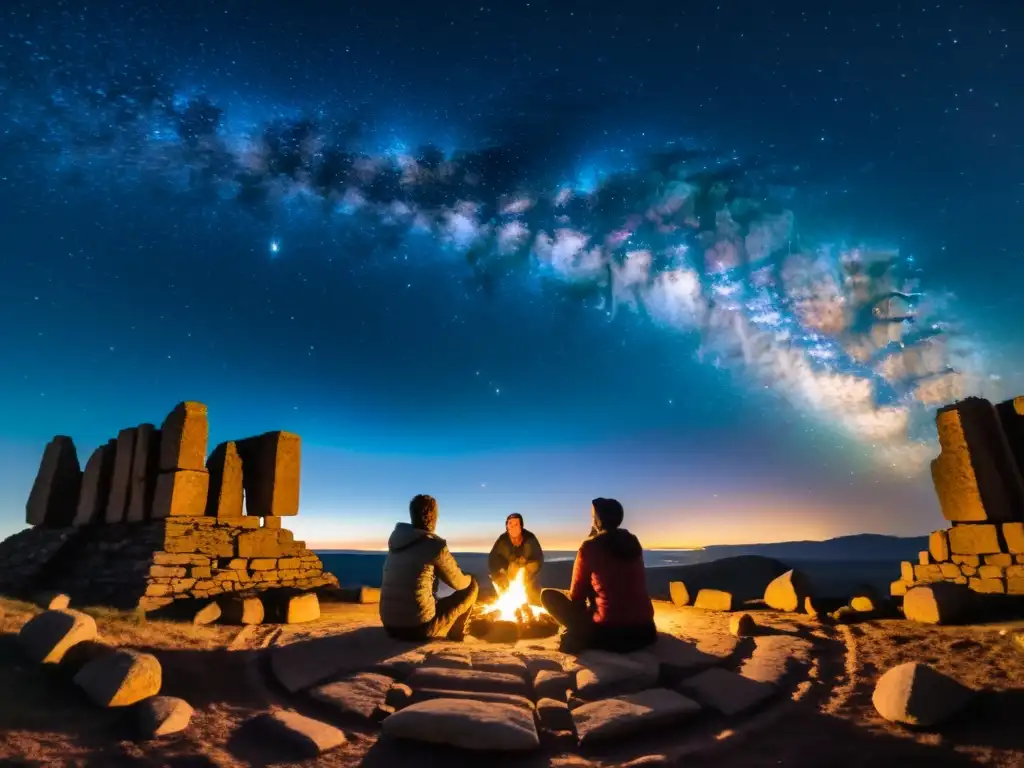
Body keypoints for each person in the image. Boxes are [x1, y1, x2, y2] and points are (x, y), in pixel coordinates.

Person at [540, 498, 656, 654]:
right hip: (645, 631)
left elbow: (577, 597)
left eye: (593, 516)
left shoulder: (590, 547)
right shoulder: (632, 543)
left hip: (608, 633)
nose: (591, 520)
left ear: (598, 520)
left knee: (547, 596)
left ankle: (584, 637)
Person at [379, 494, 479, 641]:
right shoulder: (433, 546)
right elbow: (459, 583)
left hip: (389, 625)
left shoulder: (397, 541)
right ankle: (456, 634)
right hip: (418, 628)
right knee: (472, 586)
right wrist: (469, 577)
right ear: (434, 516)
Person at [487, 513, 544, 603]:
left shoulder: (530, 538)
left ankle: (530, 598)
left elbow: (538, 557)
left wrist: (526, 562)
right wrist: (499, 573)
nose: (513, 527)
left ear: (521, 526)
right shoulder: (503, 540)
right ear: (506, 526)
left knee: (521, 570)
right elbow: (493, 558)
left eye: (516, 524)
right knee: (512, 568)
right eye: (510, 524)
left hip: (528, 569)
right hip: (507, 570)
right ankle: (509, 597)